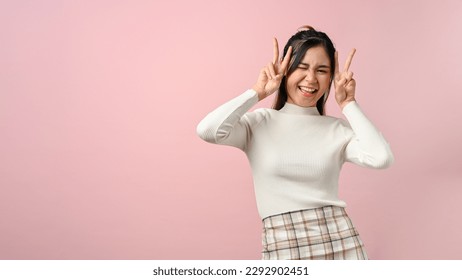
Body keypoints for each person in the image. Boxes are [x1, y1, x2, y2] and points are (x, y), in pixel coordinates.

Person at [196, 26, 394, 260]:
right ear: (285, 70)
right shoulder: (258, 124)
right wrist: (257, 92)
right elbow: (208, 130)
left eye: (322, 70)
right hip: (283, 245)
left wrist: (349, 103)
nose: (311, 79)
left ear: (330, 77)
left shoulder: (337, 130)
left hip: (341, 244)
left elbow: (381, 158)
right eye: (301, 67)